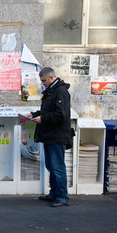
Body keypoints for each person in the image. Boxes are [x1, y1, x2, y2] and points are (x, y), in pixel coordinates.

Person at [27, 67, 73, 207]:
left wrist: (43, 118)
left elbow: (61, 115)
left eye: (44, 81)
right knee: (51, 166)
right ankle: (54, 193)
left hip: (57, 136)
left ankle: (62, 197)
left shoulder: (60, 91)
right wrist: (35, 114)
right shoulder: (52, 90)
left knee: (57, 167)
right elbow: (48, 110)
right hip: (50, 135)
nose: (43, 84)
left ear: (52, 78)